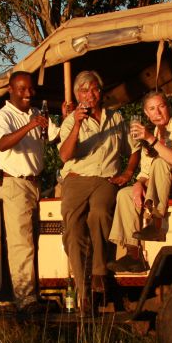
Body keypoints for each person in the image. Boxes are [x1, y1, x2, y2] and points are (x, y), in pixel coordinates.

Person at [58, 70, 139, 301]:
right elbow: (65, 155)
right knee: (73, 231)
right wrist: (76, 124)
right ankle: (83, 294)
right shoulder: (70, 121)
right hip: (76, 178)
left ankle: (99, 272)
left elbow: (134, 149)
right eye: (84, 90)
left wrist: (128, 173)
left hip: (106, 179)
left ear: (100, 92)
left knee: (100, 214)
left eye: (94, 89)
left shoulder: (116, 118)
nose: (90, 94)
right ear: (77, 95)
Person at [107, 91, 172, 272]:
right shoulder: (149, 134)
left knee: (161, 162)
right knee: (124, 194)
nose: (157, 113)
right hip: (154, 189)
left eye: (161, 106)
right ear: (146, 113)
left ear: (168, 107)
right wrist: (138, 183)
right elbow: (145, 172)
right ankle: (133, 254)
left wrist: (151, 140)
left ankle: (155, 222)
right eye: (152, 109)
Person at [0, 71, 53, 312]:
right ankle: (25, 300)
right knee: (21, 243)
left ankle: (38, 293)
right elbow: (3, 144)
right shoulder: (3, 116)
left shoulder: (36, 113)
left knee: (36, 240)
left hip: (36, 182)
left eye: (31, 89)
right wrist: (30, 126)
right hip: (14, 184)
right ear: (11, 89)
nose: (28, 93)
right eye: (22, 89)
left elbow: (54, 136)